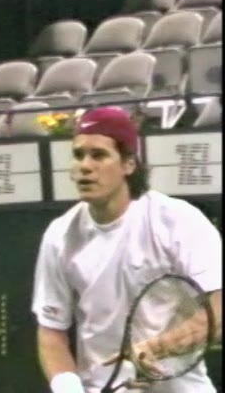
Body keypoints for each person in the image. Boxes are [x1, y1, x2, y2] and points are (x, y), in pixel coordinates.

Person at [31, 106, 222, 393]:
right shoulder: (59, 235)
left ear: (128, 164)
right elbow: (51, 330)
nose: (85, 166)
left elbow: (218, 311)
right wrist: (69, 388)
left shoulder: (178, 220)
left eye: (99, 155)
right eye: (79, 155)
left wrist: (157, 348)